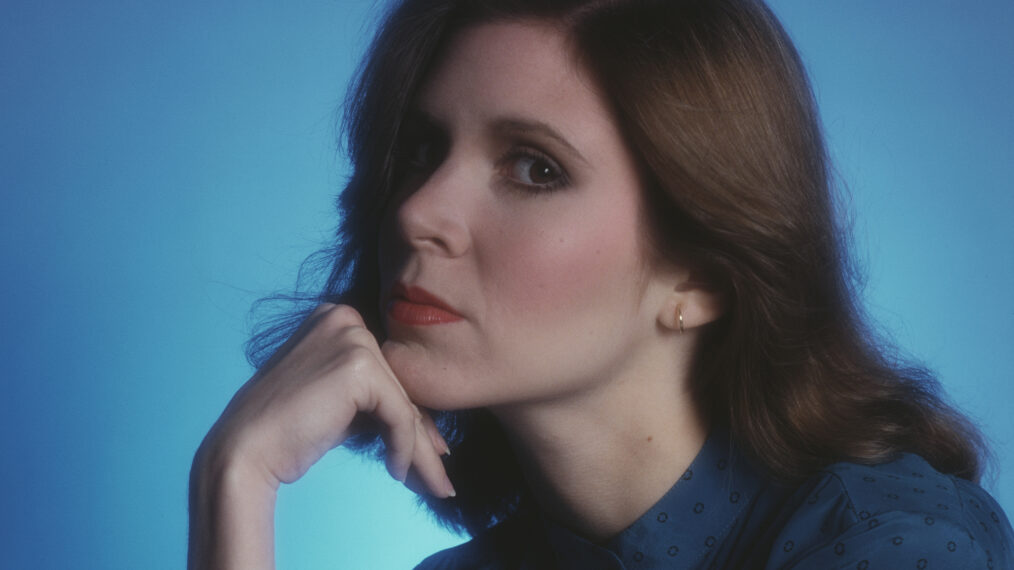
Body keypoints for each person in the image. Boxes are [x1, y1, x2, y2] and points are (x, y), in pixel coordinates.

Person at [188, 0, 1014, 568]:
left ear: (701, 272)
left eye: (534, 168)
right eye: (420, 150)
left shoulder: (892, 548)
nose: (418, 210)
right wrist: (236, 477)